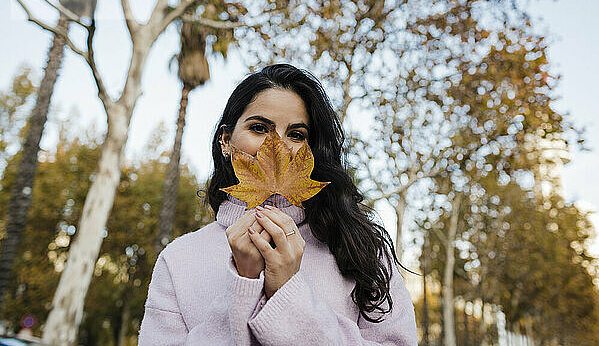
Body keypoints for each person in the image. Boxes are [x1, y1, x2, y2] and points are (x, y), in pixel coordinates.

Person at [138, 64, 418, 345]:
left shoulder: (362, 249)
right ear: (225, 140)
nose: (277, 147)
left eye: (296, 134)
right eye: (259, 128)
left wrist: (288, 292)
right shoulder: (179, 259)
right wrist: (243, 284)